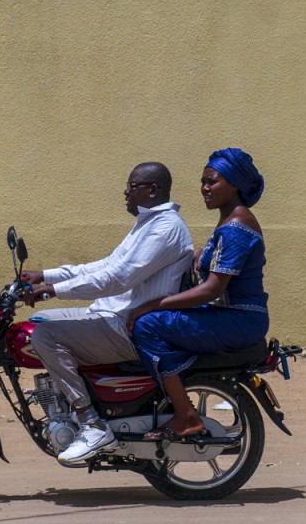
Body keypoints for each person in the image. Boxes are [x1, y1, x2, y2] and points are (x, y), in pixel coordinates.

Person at [23, 162, 193, 466]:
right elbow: (104, 266)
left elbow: (118, 278)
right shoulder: (147, 224)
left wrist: (53, 290)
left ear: (152, 189)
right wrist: (45, 274)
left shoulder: (166, 228)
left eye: (132, 186)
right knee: (37, 323)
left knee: (44, 336)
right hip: (113, 315)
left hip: (129, 326)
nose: (125, 193)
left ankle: (91, 423)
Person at [128, 147, 268, 440]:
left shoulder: (236, 227)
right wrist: (199, 253)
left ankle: (186, 414)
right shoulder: (232, 221)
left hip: (239, 319)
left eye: (212, 182)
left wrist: (154, 304)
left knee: (148, 325)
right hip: (231, 316)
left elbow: (213, 289)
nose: (204, 188)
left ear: (234, 185)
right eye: (203, 182)